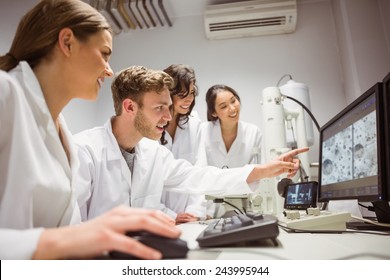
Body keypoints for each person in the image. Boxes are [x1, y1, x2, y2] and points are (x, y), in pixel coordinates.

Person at [0, 0, 180, 260]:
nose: (109, 71)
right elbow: (59, 239)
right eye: (105, 54)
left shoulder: (61, 131)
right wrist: (60, 242)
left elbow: (67, 230)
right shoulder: (6, 94)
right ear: (68, 43)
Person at [74, 65, 309, 224]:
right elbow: (68, 229)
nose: (168, 117)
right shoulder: (85, 151)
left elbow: (199, 177)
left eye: (169, 107)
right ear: (129, 107)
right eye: (159, 108)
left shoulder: (152, 153)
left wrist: (263, 170)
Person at [197, 84, 263, 217]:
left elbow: (257, 174)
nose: (232, 108)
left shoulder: (253, 132)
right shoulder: (203, 131)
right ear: (214, 112)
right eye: (223, 106)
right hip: (208, 208)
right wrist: (202, 211)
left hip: (244, 207)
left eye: (233, 101)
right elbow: (199, 173)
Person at [160, 64, 205, 223]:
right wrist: (169, 215)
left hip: (188, 215)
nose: (189, 99)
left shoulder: (194, 122)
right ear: (168, 93)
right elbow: (146, 181)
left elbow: (200, 167)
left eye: (192, 93)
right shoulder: (152, 124)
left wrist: (194, 212)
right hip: (157, 214)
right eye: (182, 94)